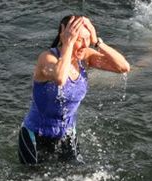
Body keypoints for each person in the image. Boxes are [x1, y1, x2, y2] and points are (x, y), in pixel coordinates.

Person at [18, 15, 130, 165]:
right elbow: (60, 78)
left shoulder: (85, 57)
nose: (84, 45)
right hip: (34, 136)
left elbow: (123, 67)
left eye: (87, 39)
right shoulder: (47, 58)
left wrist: (97, 42)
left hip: (67, 135)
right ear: (65, 37)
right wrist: (68, 45)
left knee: (76, 177)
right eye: (79, 39)